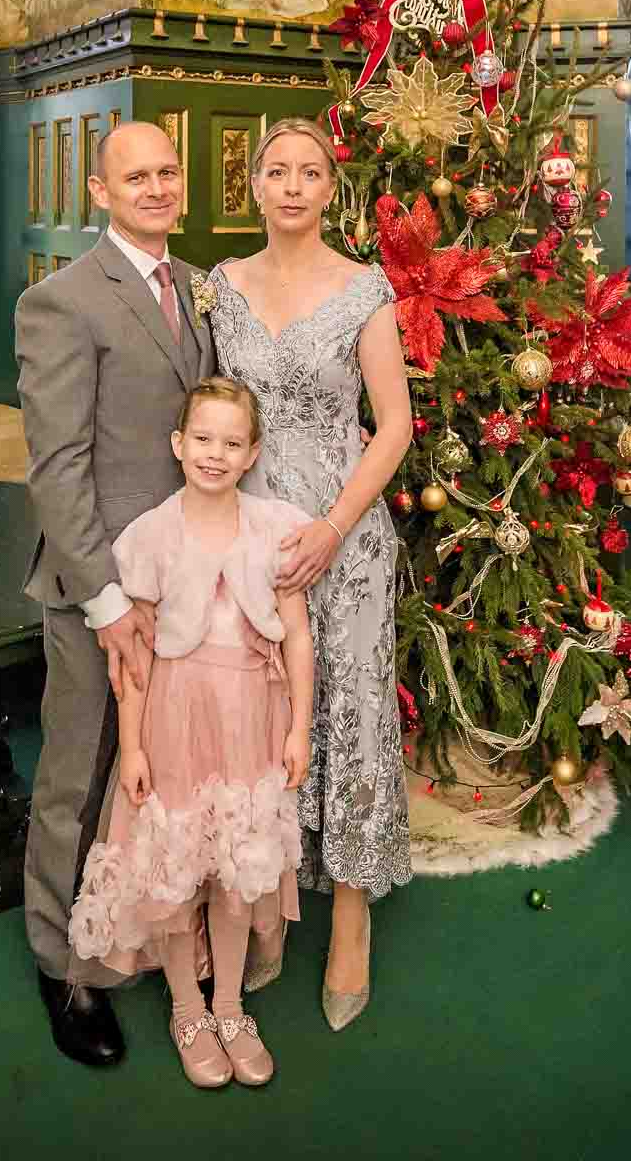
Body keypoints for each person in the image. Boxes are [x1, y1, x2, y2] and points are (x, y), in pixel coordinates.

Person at [15, 120, 215, 1067]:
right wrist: (105, 602)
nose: (156, 187)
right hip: (100, 591)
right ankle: (61, 966)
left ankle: (137, 928)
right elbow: (57, 469)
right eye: (134, 176)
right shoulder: (61, 301)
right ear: (98, 191)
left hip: (180, 580)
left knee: (159, 775)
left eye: (167, 171)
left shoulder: (194, 291)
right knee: (79, 776)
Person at [207, 117, 414, 1031]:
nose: (293, 185)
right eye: (276, 171)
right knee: (264, 721)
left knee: (352, 714)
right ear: (253, 185)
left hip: (346, 537)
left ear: (333, 189)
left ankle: (354, 918)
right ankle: (270, 901)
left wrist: (335, 526)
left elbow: (396, 427)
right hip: (253, 541)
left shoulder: (364, 289)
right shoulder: (221, 288)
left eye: (311, 172)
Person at [67, 377, 315, 1089]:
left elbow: (297, 639)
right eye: (202, 439)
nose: (215, 453)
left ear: (252, 453)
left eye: (231, 443)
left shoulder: (275, 528)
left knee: (237, 869)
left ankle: (231, 1007)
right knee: (177, 868)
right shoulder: (151, 537)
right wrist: (135, 745)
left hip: (250, 721)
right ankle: (187, 1010)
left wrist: (298, 727)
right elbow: (135, 659)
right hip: (176, 721)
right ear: (179, 445)